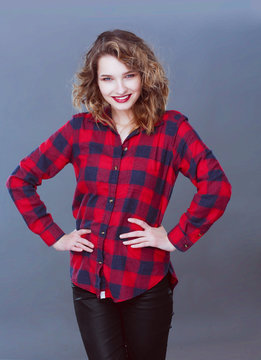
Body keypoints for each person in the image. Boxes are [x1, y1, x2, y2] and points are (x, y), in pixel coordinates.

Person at [6, 29, 232, 360]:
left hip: (146, 281)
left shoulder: (172, 129)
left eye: (129, 75)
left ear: (145, 76)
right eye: (108, 78)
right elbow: (21, 179)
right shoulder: (79, 130)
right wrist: (54, 236)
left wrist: (174, 237)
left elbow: (217, 185)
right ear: (95, 83)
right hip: (89, 281)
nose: (120, 88)